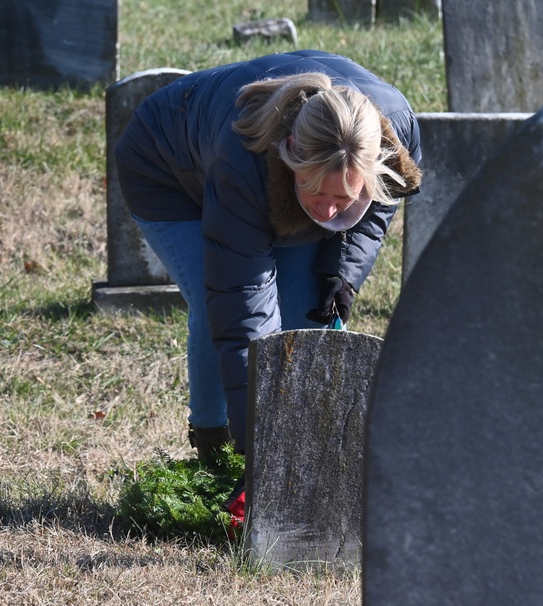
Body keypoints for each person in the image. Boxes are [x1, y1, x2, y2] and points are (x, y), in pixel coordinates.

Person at [114, 50, 422, 516]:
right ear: (291, 158)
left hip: (270, 175)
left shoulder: (395, 135)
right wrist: (262, 457)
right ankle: (214, 447)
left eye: (345, 195)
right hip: (166, 167)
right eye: (317, 193)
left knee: (304, 316)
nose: (331, 210)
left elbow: (375, 211)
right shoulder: (247, 162)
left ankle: (300, 454)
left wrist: (342, 274)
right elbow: (241, 309)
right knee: (211, 297)